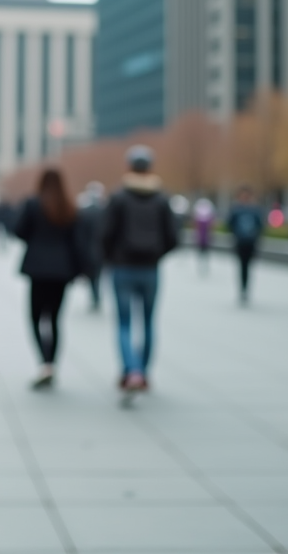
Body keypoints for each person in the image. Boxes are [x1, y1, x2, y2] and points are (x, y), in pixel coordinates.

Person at [102, 146, 179, 394]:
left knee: (124, 323)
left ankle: (131, 370)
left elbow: (104, 234)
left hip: (123, 268)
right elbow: (173, 237)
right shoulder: (161, 199)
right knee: (147, 322)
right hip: (150, 270)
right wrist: (156, 254)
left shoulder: (119, 198)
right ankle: (143, 373)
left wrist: (110, 258)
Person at [14, 169, 84, 389]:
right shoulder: (70, 206)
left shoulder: (33, 204)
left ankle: (43, 363)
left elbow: (19, 230)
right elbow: (77, 241)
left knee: (35, 317)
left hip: (38, 268)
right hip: (62, 270)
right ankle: (52, 363)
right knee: (54, 319)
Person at [227, 187, 264, 305]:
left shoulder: (255, 210)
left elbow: (260, 226)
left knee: (248, 267)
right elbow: (230, 224)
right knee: (242, 266)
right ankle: (242, 289)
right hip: (240, 242)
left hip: (251, 243)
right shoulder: (236, 210)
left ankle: (246, 288)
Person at [76, 181, 107, 311]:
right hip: (102, 250)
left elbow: (79, 233)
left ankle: (95, 296)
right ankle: (96, 296)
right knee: (97, 275)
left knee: (93, 276)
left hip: (89, 249)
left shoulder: (84, 212)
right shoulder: (105, 211)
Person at [193, 198, 216, 274]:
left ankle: (204, 265)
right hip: (201, 239)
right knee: (201, 252)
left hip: (205, 239)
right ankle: (202, 265)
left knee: (205, 252)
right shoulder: (201, 220)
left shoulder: (206, 220)